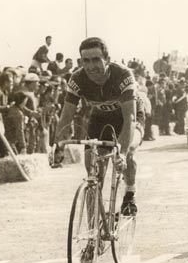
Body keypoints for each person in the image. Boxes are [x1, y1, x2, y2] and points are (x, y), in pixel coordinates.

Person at [54, 37, 144, 215]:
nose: (91, 66)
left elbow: (130, 118)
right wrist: (57, 145)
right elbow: (66, 116)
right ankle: (94, 230)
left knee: (129, 152)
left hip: (128, 116)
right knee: (93, 173)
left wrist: (123, 153)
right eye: (85, 61)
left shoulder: (123, 75)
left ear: (107, 60)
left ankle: (130, 193)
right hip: (100, 118)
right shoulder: (78, 78)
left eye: (96, 59)